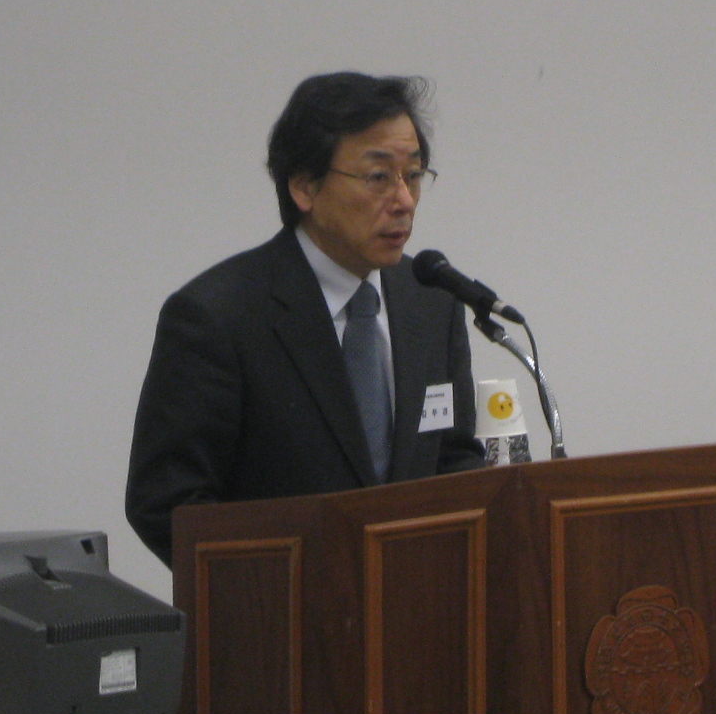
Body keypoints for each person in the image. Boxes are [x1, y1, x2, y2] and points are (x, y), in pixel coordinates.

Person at [125, 72, 484, 565]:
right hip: (280, 605)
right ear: (304, 186)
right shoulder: (218, 317)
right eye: (379, 177)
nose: (403, 200)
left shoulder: (432, 302)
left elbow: (454, 460)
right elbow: (167, 502)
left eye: (414, 175)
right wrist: (282, 587)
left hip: (414, 602)